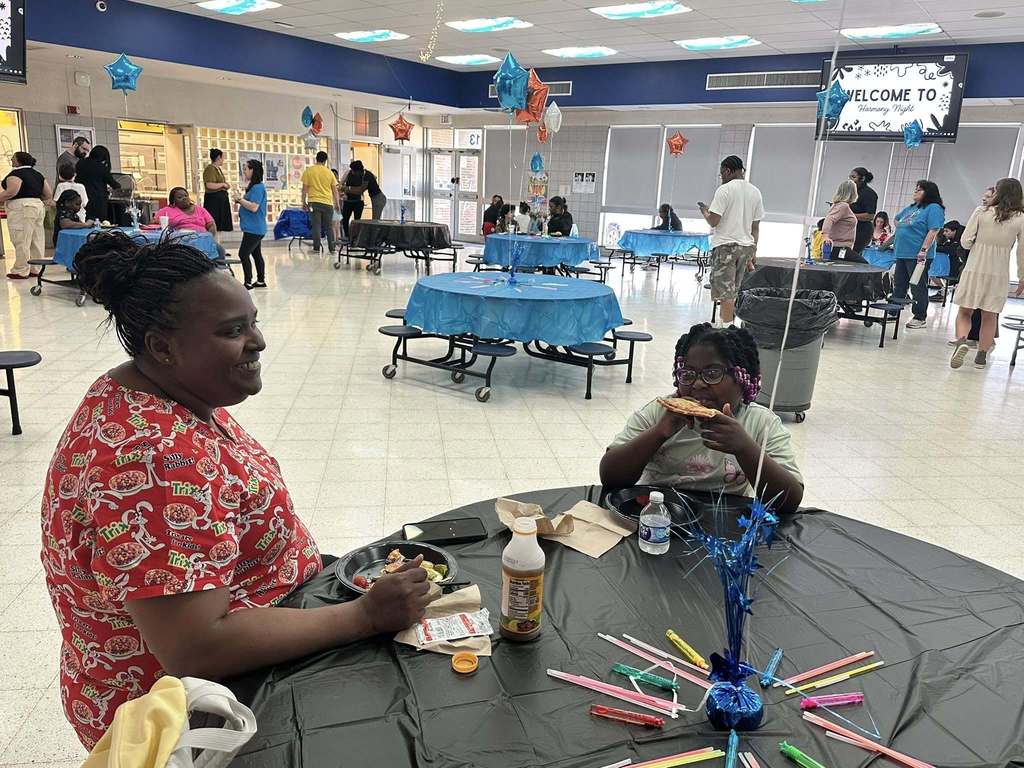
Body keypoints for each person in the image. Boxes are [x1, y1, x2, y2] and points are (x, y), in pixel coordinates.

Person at [44, 232, 432, 748]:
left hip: (259, 631)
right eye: (233, 330)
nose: (259, 341)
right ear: (162, 346)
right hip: (189, 715)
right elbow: (197, 647)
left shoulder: (165, 390)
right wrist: (363, 616)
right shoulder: (151, 460)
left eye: (253, 321)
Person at [600, 323, 803, 514]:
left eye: (712, 373)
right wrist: (659, 433)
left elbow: (790, 501)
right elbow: (610, 477)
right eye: (688, 374)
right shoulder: (660, 412)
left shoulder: (761, 423)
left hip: (725, 524)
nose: (697, 384)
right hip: (659, 517)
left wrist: (744, 448)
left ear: (743, 380)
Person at [950, 177, 1024, 370]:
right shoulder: (1021, 218)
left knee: (965, 311)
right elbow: (1022, 252)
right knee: (990, 316)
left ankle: (962, 340)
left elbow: (965, 241)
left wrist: (976, 244)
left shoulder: (981, 212)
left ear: (998, 193)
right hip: (998, 273)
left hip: (975, 268)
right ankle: (981, 357)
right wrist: (1022, 276)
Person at [699, 155, 763, 327]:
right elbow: (755, 227)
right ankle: (723, 324)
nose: (721, 178)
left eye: (721, 174)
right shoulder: (755, 191)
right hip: (746, 247)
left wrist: (705, 211)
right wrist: (754, 251)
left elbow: (714, 221)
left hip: (726, 247)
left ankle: (727, 331)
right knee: (733, 291)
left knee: (725, 293)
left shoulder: (725, 190)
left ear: (727, 171)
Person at [884, 180, 945, 329]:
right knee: (899, 283)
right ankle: (894, 311)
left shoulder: (933, 208)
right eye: (915, 189)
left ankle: (919, 316)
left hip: (918, 254)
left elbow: (933, 230)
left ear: (928, 192)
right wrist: (902, 226)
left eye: (919, 190)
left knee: (917, 285)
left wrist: (923, 249)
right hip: (902, 252)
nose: (915, 192)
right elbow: (897, 218)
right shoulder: (912, 208)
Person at [0, 151, 51, 279]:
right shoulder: (38, 175)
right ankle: (36, 268)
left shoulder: (16, 174)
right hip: (38, 206)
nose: (11, 160)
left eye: (13, 158)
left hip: (22, 208)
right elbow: (48, 194)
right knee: (37, 239)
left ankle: (21, 269)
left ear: (18, 161)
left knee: (21, 238)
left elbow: (12, 191)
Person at [154, 187, 227, 260]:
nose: (184, 198)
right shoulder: (167, 210)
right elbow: (154, 223)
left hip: (202, 238)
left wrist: (210, 237)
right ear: (173, 201)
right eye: (180, 197)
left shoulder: (200, 209)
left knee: (219, 250)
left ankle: (219, 268)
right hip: (181, 241)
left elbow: (211, 224)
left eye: (186, 196)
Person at [233, 158, 268, 289]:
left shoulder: (258, 188)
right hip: (253, 228)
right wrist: (240, 200)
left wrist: (239, 200)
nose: (244, 172)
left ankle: (248, 282)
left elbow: (254, 207)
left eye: (246, 169)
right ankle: (260, 280)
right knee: (256, 253)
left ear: (253, 170)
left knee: (243, 254)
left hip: (255, 229)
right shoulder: (254, 187)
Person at [301, 151, 338, 253]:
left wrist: (303, 202)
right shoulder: (329, 173)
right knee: (329, 227)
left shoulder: (309, 171)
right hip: (328, 203)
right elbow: (335, 190)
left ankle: (316, 248)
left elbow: (304, 189)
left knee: (316, 225)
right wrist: (337, 204)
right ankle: (332, 248)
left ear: (316, 159)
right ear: (325, 161)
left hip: (314, 202)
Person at [74, 145, 120, 223]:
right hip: (98, 200)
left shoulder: (80, 163)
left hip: (81, 197)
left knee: (83, 221)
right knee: (99, 223)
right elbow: (114, 184)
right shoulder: (101, 167)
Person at [821, 180, 860, 261]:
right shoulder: (843, 206)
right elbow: (829, 218)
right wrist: (825, 235)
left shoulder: (837, 205)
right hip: (840, 248)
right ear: (853, 193)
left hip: (840, 248)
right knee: (864, 267)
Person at [931, 219, 965, 301]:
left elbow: (948, 250)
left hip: (956, 269)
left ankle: (943, 291)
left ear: (954, 231)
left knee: (932, 271)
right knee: (932, 271)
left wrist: (933, 247)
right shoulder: (952, 242)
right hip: (953, 266)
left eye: (947, 231)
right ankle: (943, 291)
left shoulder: (960, 243)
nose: (944, 233)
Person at [202, 148, 233, 233]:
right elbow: (209, 185)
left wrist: (225, 185)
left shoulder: (217, 169)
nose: (224, 160)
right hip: (214, 201)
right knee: (214, 224)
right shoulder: (210, 169)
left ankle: (217, 242)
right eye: (223, 157)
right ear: (218, 157)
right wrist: (223, 185)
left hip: (220, 200)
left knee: (219, 226)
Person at [849, 167, 878, 254]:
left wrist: (850, 215)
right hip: (849, 228)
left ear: (862, 178)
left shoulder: (869, 194)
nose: (850, 179)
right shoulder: (851, 191)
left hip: (861, 231)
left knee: (852, 254)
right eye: (850, 177)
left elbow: (870, 216)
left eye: (853, 177)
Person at [330, 168, 343, 244]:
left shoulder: (338, 184)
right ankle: (335, 242)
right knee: (334, 225)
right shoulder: (333, 184)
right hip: (333, 205)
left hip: (337, 205)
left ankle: (337, 241)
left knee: (337, 225)